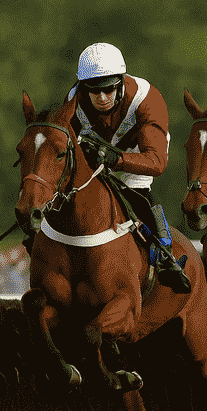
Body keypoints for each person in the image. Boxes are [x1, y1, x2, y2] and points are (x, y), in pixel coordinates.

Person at [66, 42, 190, 293]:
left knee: (135, 191)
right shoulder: (73, 100)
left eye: (109, 89)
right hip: (97, 155)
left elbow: (156, 162)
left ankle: (166, 255)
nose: (102, 98)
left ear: (121, 81)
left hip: (139, 155)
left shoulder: (146, 98)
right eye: (93, 90)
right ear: (82, 87)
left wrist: (117, 160)